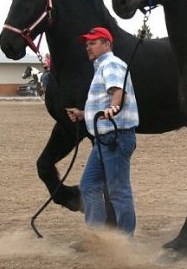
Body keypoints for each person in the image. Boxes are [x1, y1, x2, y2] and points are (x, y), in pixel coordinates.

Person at [65, 27, 139, 248]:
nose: (88, 47)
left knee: (118, 191)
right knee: (88, 185)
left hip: (115, 137)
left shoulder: (111, 64)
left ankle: (125, 243)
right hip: (104, 139)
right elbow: (106, 99)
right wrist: (82, 114)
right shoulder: (101, 68)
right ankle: (97, 238)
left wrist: (114, 108)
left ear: (106, 44)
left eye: (93, 43)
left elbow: (118, 91)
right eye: (86, 44)